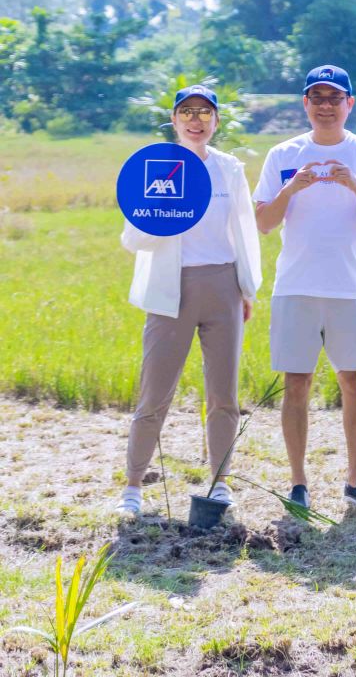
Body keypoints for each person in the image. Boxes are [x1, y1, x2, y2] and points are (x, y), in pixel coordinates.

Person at [252, 65, 356, 509]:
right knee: (296, 383)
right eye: (317, 98)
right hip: (295, 285)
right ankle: (298, 483)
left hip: (351, 286)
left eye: (335, 98)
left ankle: (355, 479)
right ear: (306, 104)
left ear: (350, 104)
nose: (326, 106)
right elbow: (263, 222)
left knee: (353, 381)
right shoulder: (283, 154)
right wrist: (291, 189)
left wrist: (355, 185)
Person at [116, 84, 262, 515]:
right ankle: (132, 488)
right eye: (186, 112)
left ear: (216, 121)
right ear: (174, 120)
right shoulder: (156, 166)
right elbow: (131, 239)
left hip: (222, 287)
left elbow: (243, 232)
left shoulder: (229, 168)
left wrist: (246, 288)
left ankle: (219, 484)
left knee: (224, 396)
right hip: (170, 290)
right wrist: (164, 213)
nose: (195, 120)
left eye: (204, 112)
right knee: (154, 395)